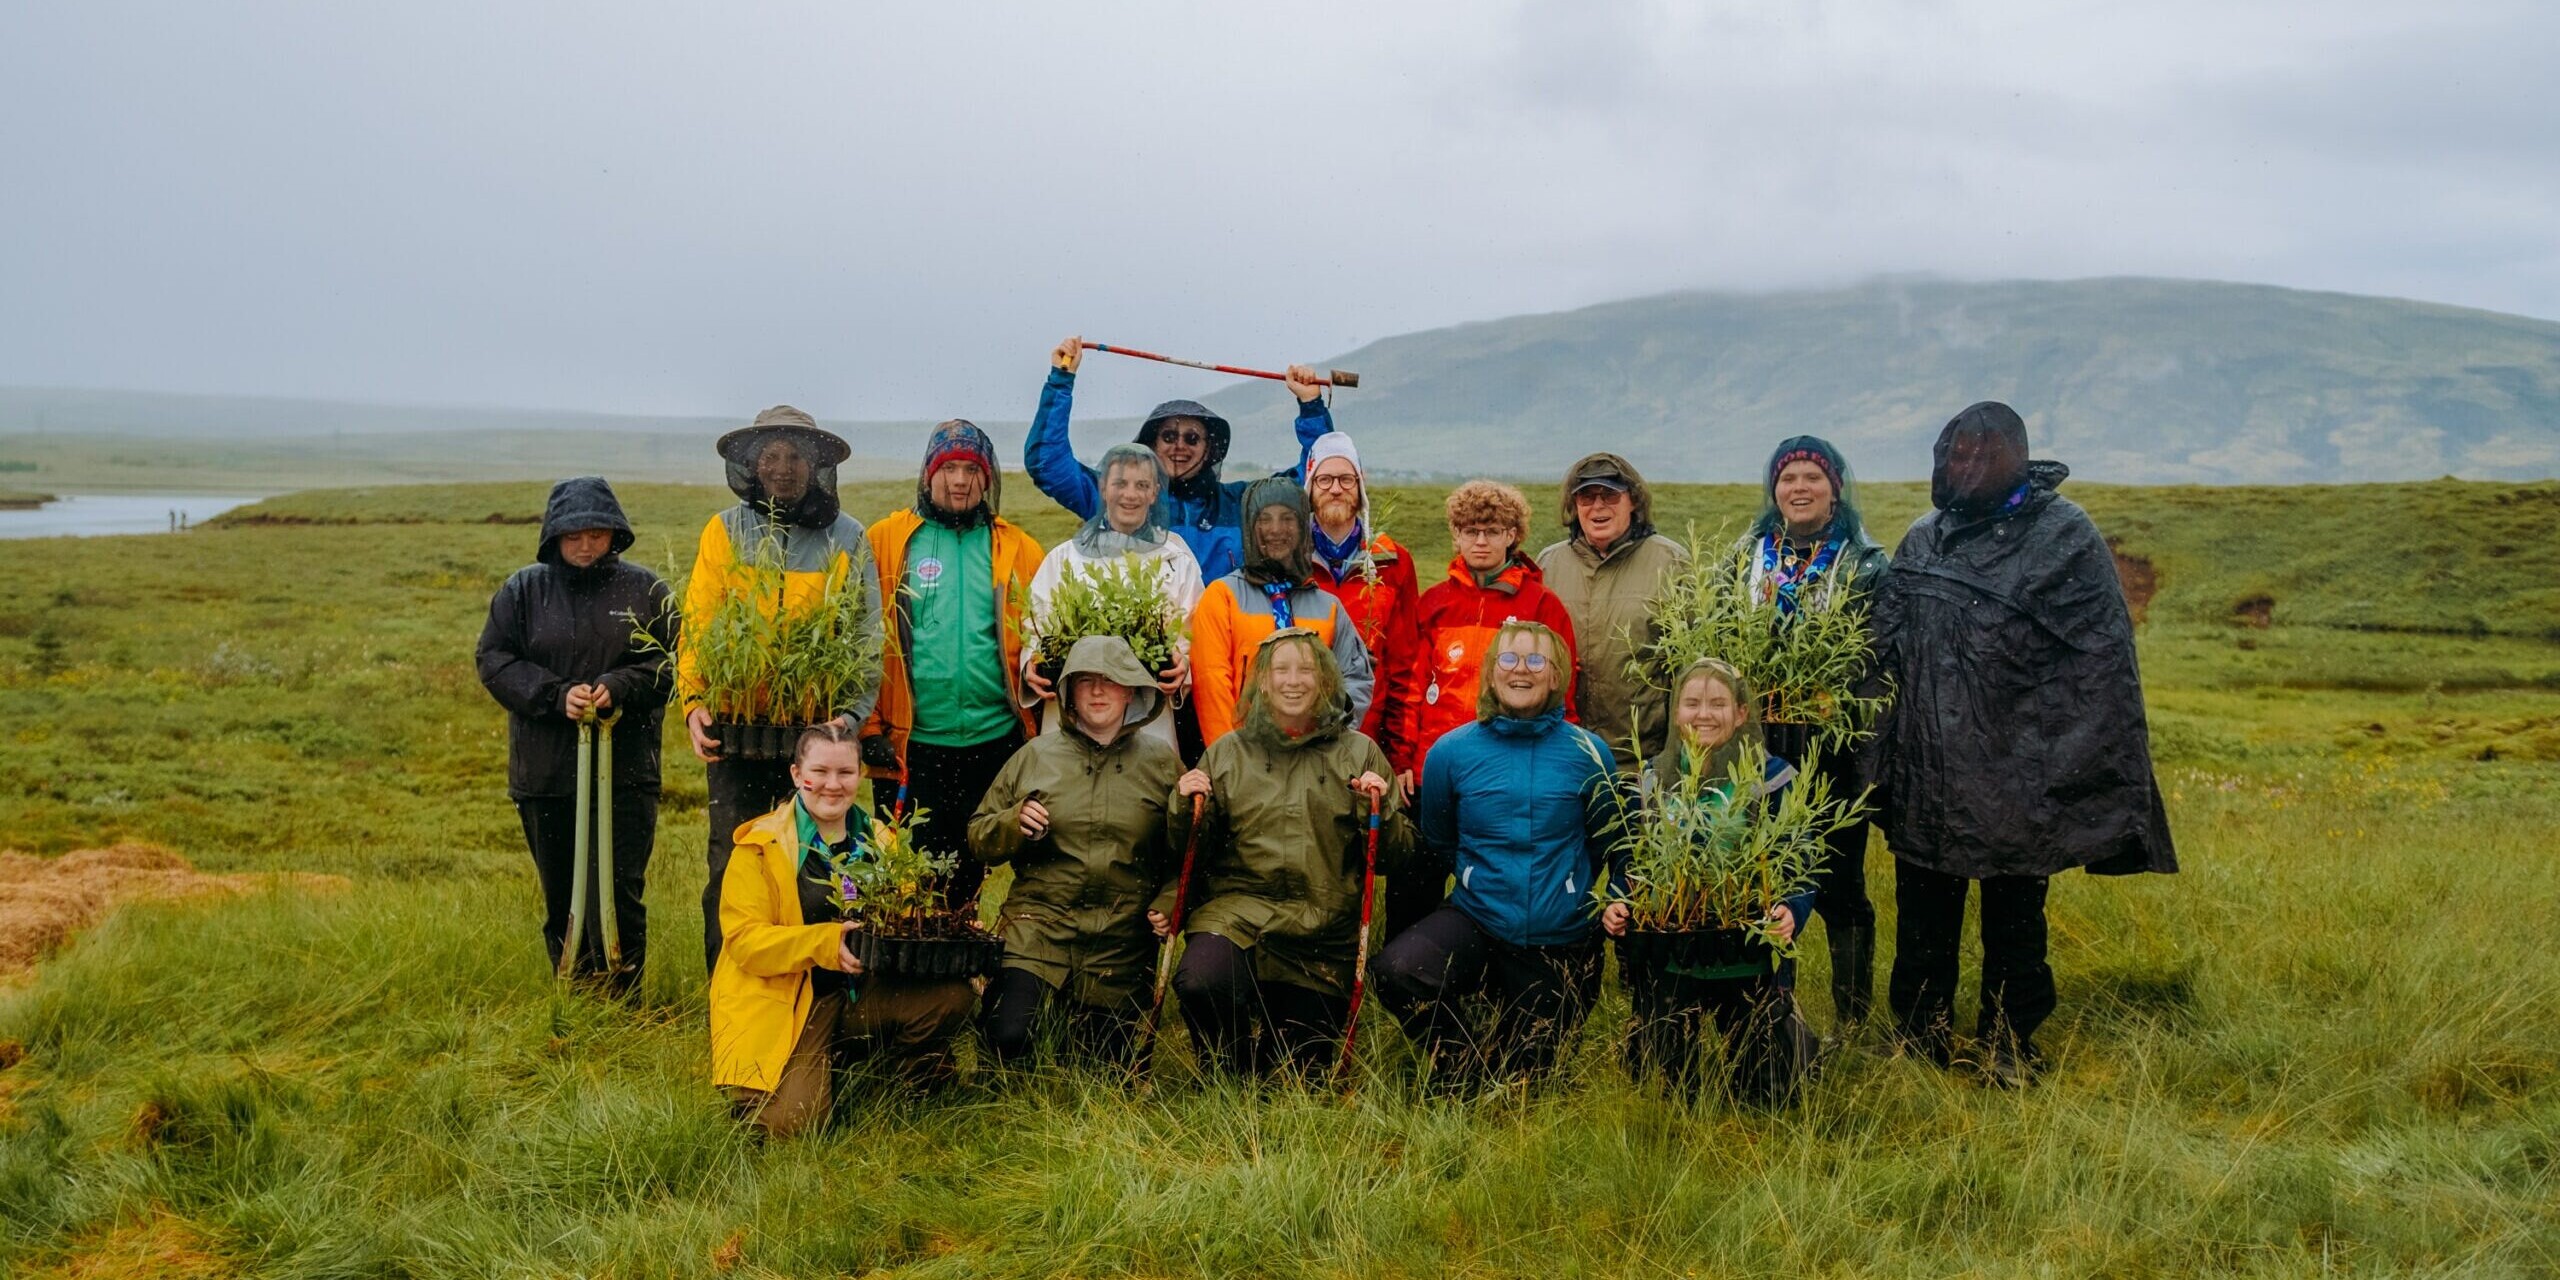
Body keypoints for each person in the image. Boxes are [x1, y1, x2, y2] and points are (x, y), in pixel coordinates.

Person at [1870, 401, 2178, 1086]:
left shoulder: (2061, 535)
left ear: (2013, 456)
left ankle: (2009, 1044)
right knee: (1923, 919)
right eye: (1958, 454)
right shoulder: (1925, 538)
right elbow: (1884, 650)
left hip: (2017, 775)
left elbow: (2099, 662)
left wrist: (2067, 760)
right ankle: (1920, 1037)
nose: (1968, 466)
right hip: (1929, 769)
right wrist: (1880, 759)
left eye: (1983, 455)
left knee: (2013, 921)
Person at [1370, 621, 1616, 1093]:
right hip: (1478, 920)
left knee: (1528, 1084)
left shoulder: (1589, 753)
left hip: (1558, 936)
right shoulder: (1451, 753)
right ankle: (1463, 1069)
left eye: (1536, 660)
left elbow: (1604, 841)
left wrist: (1566, 891)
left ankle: (1505, 1050)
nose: (1521, 670)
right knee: (1398, 971)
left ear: (1557, 675)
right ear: (1491, 672)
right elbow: (1442, 841)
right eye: (1509, 658)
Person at [681, 407, 883, 973]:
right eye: (771, 455)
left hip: (818, 739)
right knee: (733, 862)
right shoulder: (724, 530)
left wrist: (850, 718)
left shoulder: (848, 536)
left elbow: (867, 635)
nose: (784, 467)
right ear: (752, 464)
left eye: (796, 456)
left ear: (817, 464)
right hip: (738, 733)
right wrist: (694, 702)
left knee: (822, 864)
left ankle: (823, 987)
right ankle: (728, 991)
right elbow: (698, 624)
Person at [1158, 629, 1411, 1079]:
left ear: (1326, 680)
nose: (1293, 681)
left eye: (1306, 670)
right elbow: (1191, 851)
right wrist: (1185, 805)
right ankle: (1228, 1076)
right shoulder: (1229, 752)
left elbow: (1397, 857)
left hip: (1320, 931)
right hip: (1237, 915)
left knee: (1297, 1072)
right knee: (1201, 981)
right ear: (1263, 681)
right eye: (1281, 670)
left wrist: (1375, 811)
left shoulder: (1359, 753)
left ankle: (1273, 1050)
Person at [709, 725, 978, 1138]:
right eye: (820, 772)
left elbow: (908, 912)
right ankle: (784, 1081)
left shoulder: (882, 841)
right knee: (793, 1125)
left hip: (864, 991)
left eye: (846, 773)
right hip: (796, 998)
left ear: (861, 775)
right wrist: (824, 943)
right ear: (797, 774)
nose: (832, 785)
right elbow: (745, 942)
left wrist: (951, 929)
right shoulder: (761, 846)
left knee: (951, 996)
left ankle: (898, 1077)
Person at [474, 476, 674, 993]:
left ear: (615, 534)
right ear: (554, 537)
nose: (586, 546)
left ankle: (624, 1000)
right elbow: (494, 658)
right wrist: (554, 695)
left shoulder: (646, 590)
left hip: (626, 772)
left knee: (620, 890)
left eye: (596, 535)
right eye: (573, 536)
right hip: (546, 773)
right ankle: (573, 994)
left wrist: (620, 686)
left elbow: (675, 662)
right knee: (562, 891)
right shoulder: (523, 591)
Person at [1601, 659, 1820, 1106]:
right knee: (1665, 1090)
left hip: (1747, 953)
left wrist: (1791, 910)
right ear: (1675, 712)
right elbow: (1631, 859)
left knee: (1769, 1093)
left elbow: (1801, 857)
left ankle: (1786, 1032)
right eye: (1692, 703)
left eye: (1718, 703)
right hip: (1672, 954)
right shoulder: (1653, 780)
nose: (1704, 714)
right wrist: (1618, 901)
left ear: (1741, 714)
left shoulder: (1772, 778)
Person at [967, 636, 1184, 1070]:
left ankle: (1077, 1017)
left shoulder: (1161, 763)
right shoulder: (1035, 755)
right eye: (1085, 681)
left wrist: (1169, 901)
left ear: (1131, 690)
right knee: (1007, 1037)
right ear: (1068, 691)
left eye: (1110, 680)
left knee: (1104, 1068)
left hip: (1120, 941)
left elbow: (1187, 852)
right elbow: (978, 835)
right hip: (1039, 926)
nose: (1098, 691)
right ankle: (1018, 1004)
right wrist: (1012, 822)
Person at [1737, 436, 1891, 1035]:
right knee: (1765, 878)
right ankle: (1775, 1014)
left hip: (1833, 750)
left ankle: (1853, 1020)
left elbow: (1878, 661)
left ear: (1836, 489)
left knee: (1841, 885)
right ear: (1773, 489)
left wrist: (1837, 707)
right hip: (1760, 747)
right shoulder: (1745, 558)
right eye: (1788, 477)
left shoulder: (1865, 563)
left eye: (1812, 477)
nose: (1799, 488)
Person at [863, 419, 1044, 913]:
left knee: (976, 869)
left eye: (972, 469)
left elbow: (1043, 641)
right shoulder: (887, 541)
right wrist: (869, 730)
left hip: (996, 741)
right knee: (910, 878)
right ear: (928, 474)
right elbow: (862, 638)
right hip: (911, 745)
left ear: (988, 477)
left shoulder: (1018, 548)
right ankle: (913, 959)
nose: (960, 481)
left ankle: (978, 955)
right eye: (948, 468)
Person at [1397, 478, 1581, 940]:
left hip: (1505, 772)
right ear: (1456, 535)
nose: (1481, 540)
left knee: (1495, 882)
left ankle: (1491, 964)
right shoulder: (1434, 604)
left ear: (1512, 535)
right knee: (1416, 880)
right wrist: (1402, 759)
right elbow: (1412, 687)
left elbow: (1562, 691)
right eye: (1470, 530)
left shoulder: (1541, 605)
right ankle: (1404, 965)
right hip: (1431, 770)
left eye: (1493, 531)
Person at [1025, 335, 1337, 582]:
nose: (1179, 447)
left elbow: (1315, 479)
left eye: (1192, 438)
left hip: (1220, 640)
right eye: (1169, 437)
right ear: (1152, 443)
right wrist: (1061, 380)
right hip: (1141, 642)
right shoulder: (1119, 496)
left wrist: (1310, 405)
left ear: (1209, 449)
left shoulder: (1240, 503)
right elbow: (1047, 464)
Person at [1019, 443, 1201, 751]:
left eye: (1141, 485)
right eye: (1120, 483)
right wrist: (1032, 663)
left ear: (1154, 492)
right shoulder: (1064, 558)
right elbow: (1034, 626)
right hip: (1071, 716)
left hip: (1148, 718)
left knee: (1145, 780)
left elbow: (1194, 633)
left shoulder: (1177, 559)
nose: (1130, 495)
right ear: (1103, 488)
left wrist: (1182, 664)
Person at [1188, 478, 1376, 746]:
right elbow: (1211, 687)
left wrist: (1326, 742)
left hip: (1315, 757)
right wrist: (1231, 758)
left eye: (1287, 519)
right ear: (1250, 527)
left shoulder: (1328, 607)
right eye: (1265, 519)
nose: (1275, 529)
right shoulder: (1222, 597)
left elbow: (1356, 681)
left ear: (1302, 527)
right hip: (1243, 756)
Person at [1537, 453, 1688, 771]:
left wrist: (1672, 761)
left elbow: (1690, 669)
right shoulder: (1549, 565)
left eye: (1610, 495)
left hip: (1644, 763)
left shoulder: (1671, 563)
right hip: (1563, 759)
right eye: (1586, 497)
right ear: (1574, 505)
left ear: (1634, 500)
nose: (1598, 506)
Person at [1302, 432, 1426, 793]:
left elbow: (1405, 664)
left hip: (1370, 739)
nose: (1335, 489)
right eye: (1325, 479)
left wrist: (1399, 756)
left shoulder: (1392, 561)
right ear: (1309, 487)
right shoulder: (1292, 560)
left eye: (1346, 479)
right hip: (1300, 734)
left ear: (1360, 486)